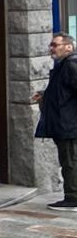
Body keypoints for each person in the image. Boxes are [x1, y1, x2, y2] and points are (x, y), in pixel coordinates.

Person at [34, 33, 77, 210]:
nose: (51, 48)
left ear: (68, 46)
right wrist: (44, 96)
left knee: (70, 161)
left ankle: (73, 198)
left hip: (68, 124)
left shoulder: (71, 64)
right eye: (51, 45)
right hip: (65, 123)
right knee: (69, 160)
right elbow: (63, 92)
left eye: (55, 44)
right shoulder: (64, 65)